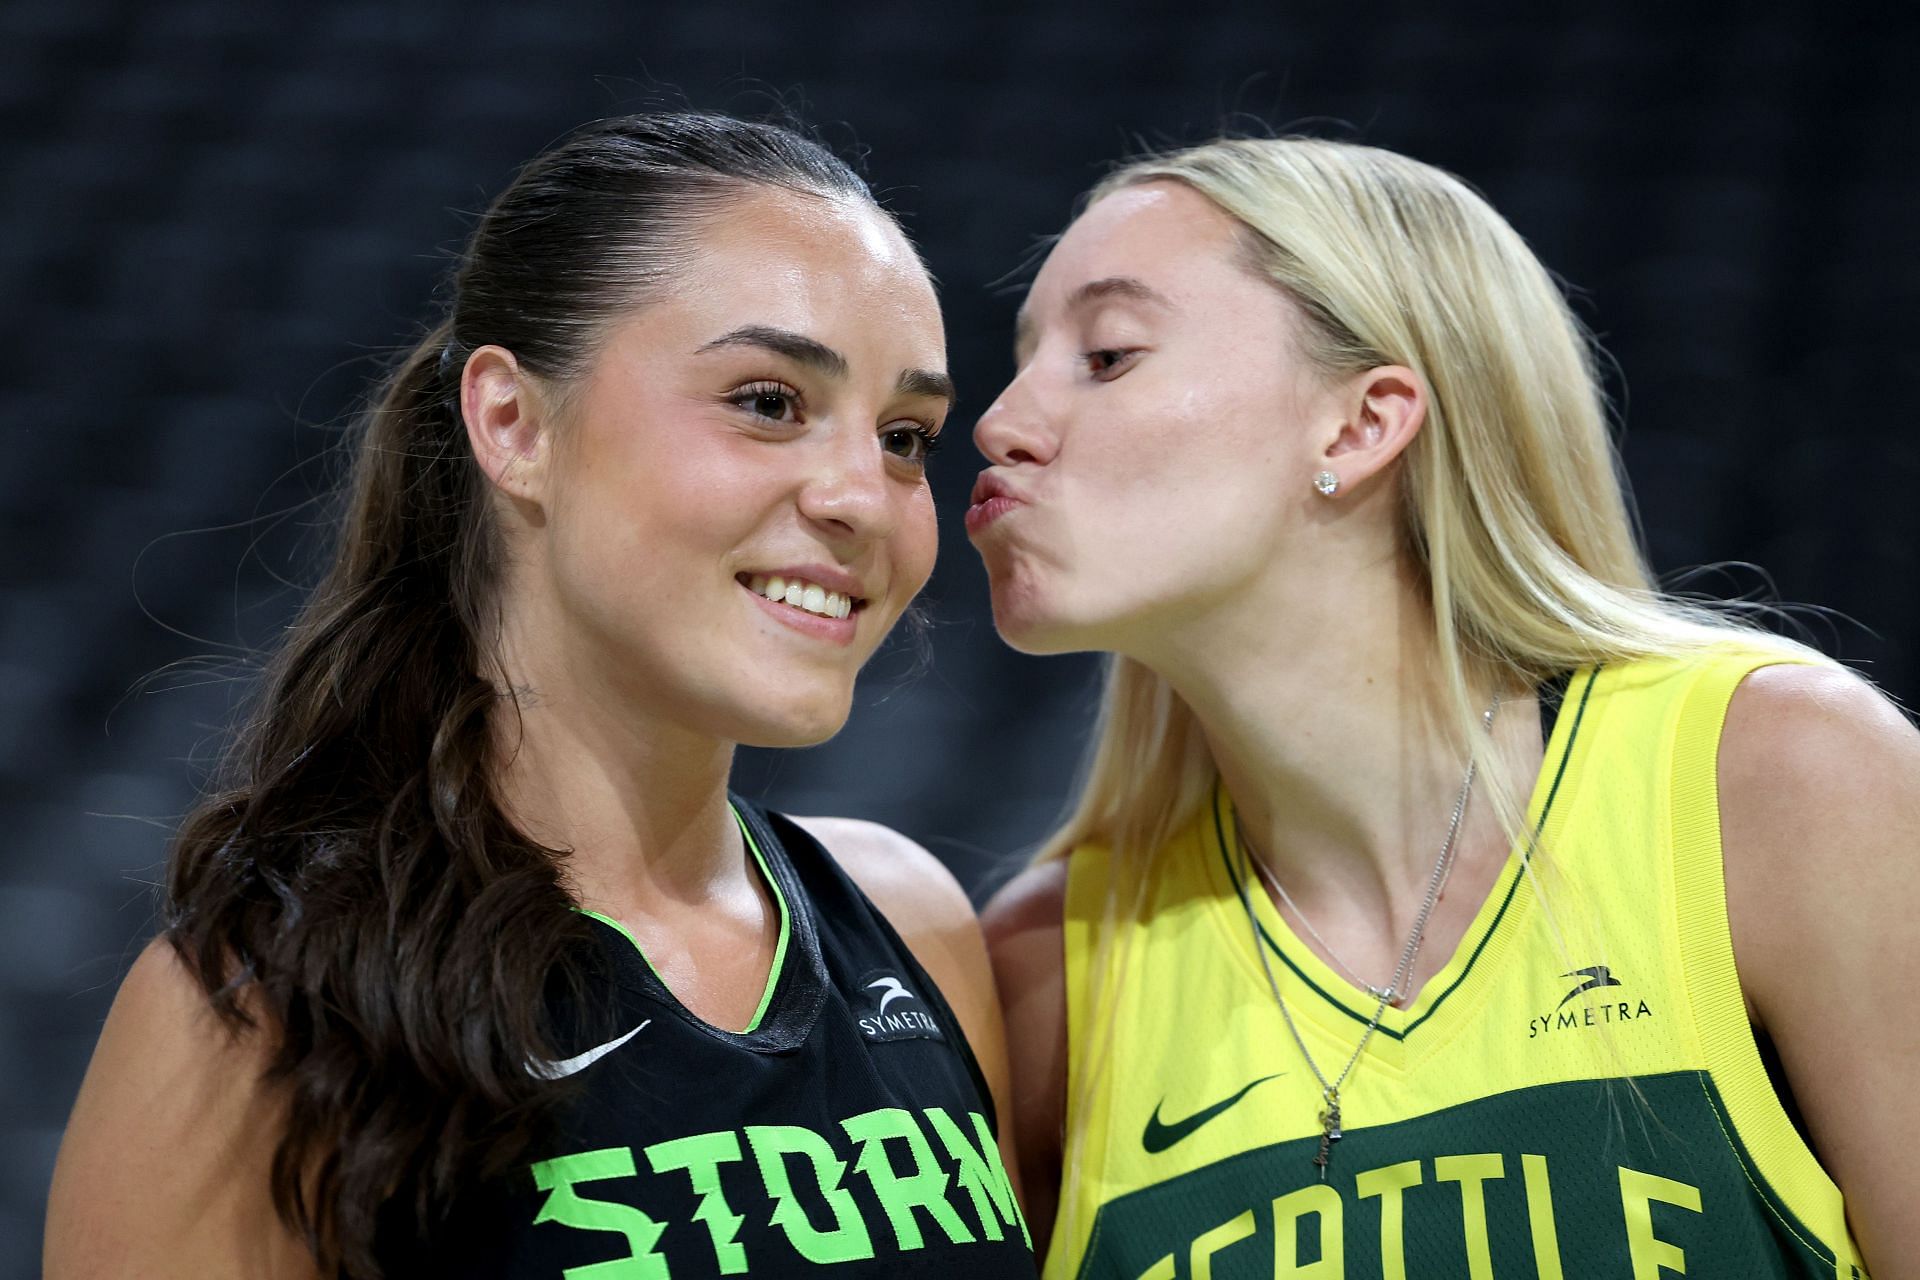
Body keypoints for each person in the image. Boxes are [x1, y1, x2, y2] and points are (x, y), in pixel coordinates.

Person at [47, 113, 1034, 1279]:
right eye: (768, 400)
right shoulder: (262, 1009)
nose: (863, 498)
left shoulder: (914, 923)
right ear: (513, 423)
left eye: (907, 437)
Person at [972, 136, 1915, 1278]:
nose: (999, 421)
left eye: (1107, 354)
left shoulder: (1781, 780)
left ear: (1363, 424)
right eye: (1024, 361)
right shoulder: (1048, 969)